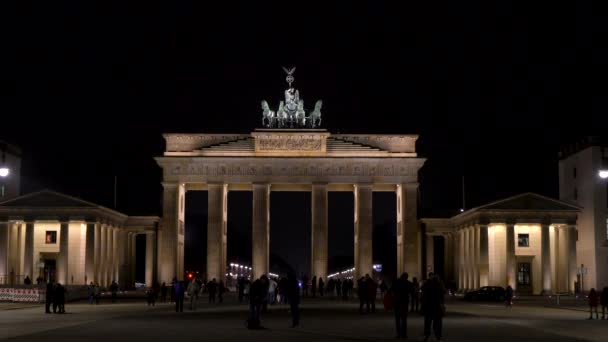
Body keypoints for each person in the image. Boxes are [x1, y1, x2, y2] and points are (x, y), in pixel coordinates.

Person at [421, 273, 445, 342]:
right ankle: (438, 337)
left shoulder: (427, 283)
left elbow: (422, 290)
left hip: (428, 307)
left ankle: (427, 335)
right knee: (438, 323)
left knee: (427, 323)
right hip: (437, 307)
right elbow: (442, 294)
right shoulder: (439, 284)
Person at [391, 273, 414, 339]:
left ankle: (398, 334)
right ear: (406, 277)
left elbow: (391, 290)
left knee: (397, 319)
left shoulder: (396, 282)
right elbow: (412, 292)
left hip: (397, 302)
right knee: (404, 319)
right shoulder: (408, 283)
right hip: (404, 303)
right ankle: (404, 334)